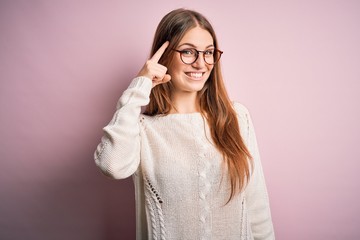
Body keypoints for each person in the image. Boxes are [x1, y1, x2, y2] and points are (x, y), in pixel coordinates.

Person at [94, 8, 275, 240]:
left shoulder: (237, 118)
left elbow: (257, 206)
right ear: (164, 55)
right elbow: (112, 165)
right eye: (188, 52)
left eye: (208, 53)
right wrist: (140, 85)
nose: (201, 63)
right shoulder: (142, 130)